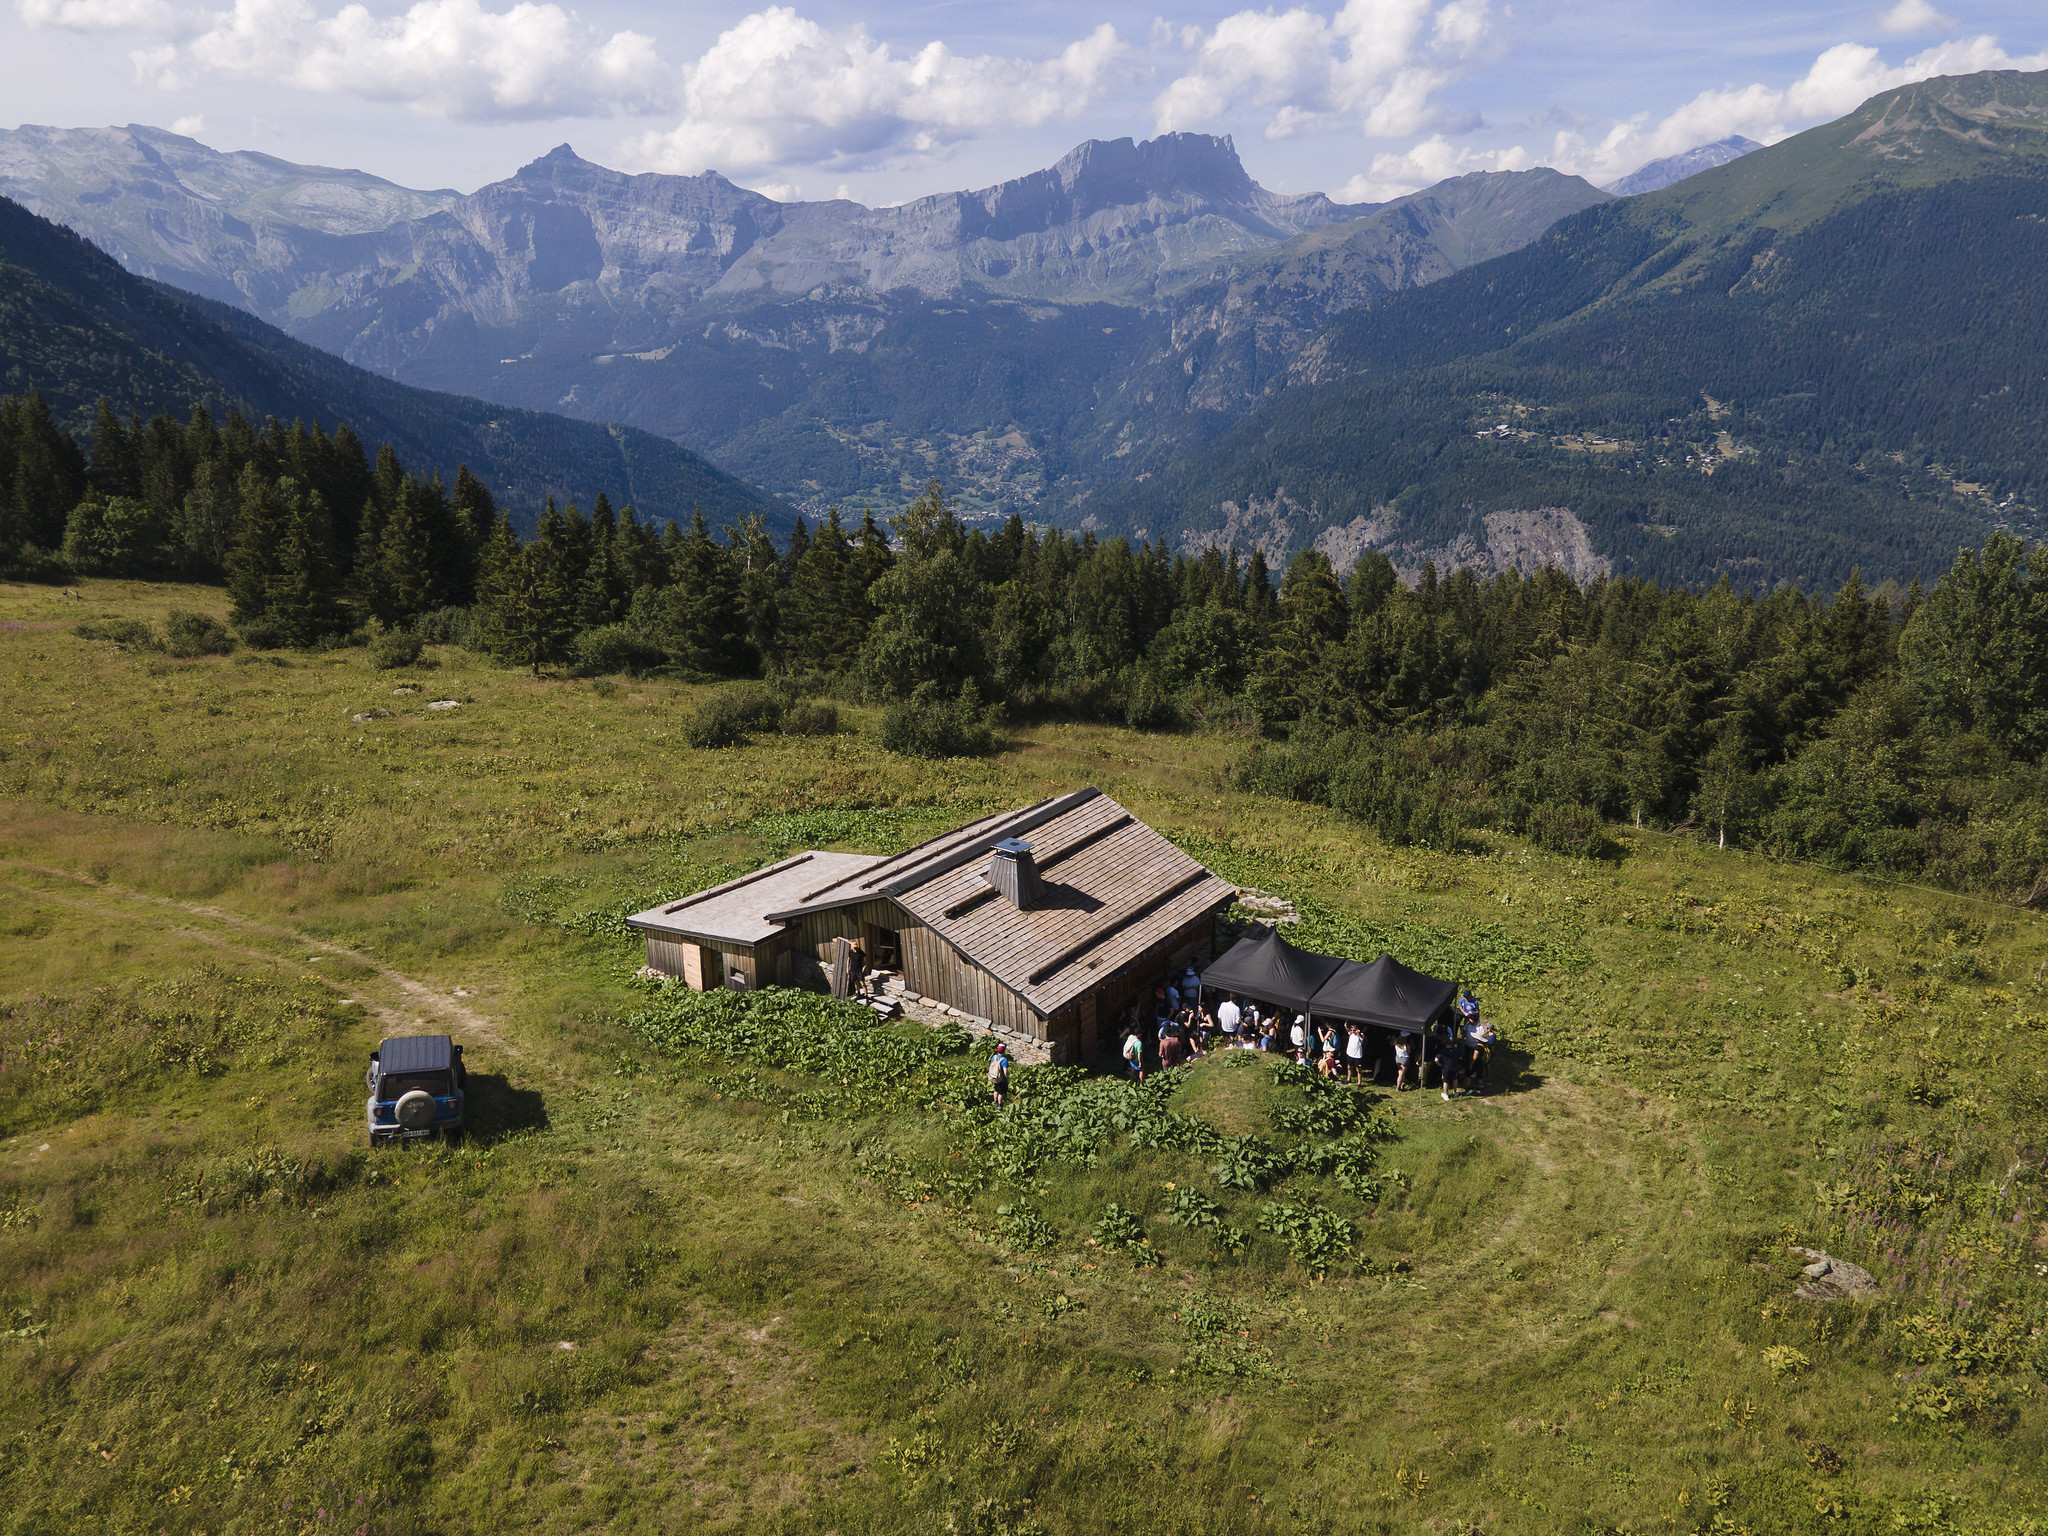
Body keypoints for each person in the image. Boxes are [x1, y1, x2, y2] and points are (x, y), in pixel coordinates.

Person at [987, 1042, 1010, 1107]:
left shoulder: (994, 1057)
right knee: (1001, 1093)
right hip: (1001, 1079)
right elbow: (1005, 1071)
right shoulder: (1004, 1060)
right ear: (1004, 1050)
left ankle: (995, 1101)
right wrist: (1007, 1078)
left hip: (994, 1076)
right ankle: (999, 1105)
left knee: (996, 1090)